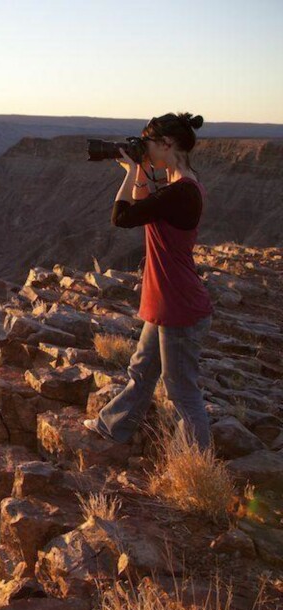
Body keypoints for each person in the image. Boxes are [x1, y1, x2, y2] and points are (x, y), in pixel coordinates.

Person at [83, 112, 215, 449]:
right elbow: (144, 210)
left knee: (182, 392)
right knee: (141, 371)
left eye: (150, 143)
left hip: (179, 306)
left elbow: (123, 217)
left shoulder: (181, 192)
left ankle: (195, 466)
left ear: (167, 144)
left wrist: (131, 173)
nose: (145, 149)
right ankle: (112, 426)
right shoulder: (178, 187)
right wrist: (139, 172)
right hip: (164, 302)